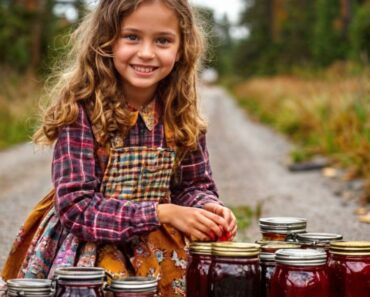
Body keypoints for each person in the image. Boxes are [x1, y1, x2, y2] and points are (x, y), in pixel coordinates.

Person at [1, 0, 237, 295]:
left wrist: (207, 207)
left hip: (159, 251)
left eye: (163, 40)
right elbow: (77, 208)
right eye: (132, 37)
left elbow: (192, 185)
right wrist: (162, 213)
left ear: (181, 49)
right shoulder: (82, 112)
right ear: (107, 40)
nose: (147, 53)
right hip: (88, 251)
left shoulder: (181, 114)